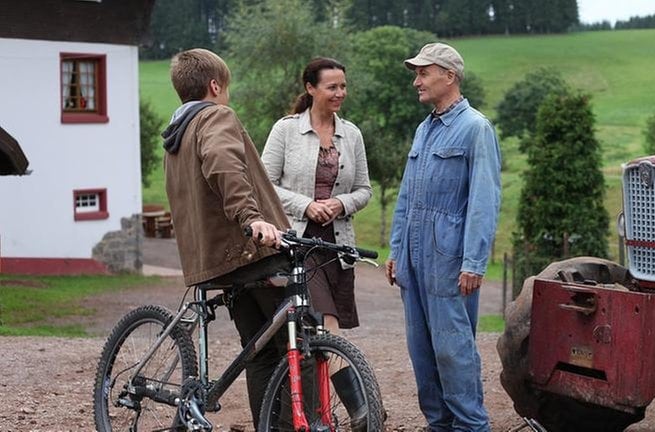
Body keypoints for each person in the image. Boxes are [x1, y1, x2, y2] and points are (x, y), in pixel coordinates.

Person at [161, 48, 290, 429]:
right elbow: (223, 163)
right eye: (226, 87)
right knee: (300, 345)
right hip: (252, 249)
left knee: (259, 351)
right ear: (215, 85)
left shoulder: (176, 134)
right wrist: (252, 218)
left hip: (216, 260)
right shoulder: (215, 115)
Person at [385, 42, 502, 432]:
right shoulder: (424, 129)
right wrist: (397, 250)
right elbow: (407, 197)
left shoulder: (475, 128)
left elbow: (484, 202)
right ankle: (439, 425)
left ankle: (471, 426)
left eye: (423, 73)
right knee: (422, 352)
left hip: (450, 262)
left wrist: (473, 262)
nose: (416, 81)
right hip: (415, 261)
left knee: (454, 351)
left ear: (449, 76)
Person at [262, 57, 372, 334]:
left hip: (337, 246)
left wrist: (341, 203)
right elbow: (263, 185)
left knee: (316, 333)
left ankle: (316, 378)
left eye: (343, 86)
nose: (340, 93)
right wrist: (306, 205)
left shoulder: (352, 134)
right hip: (297, 243)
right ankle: (353, 378)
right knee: (326, 323)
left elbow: (364, 190)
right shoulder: (286, 130)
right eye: (332, 87)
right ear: (310, 88)